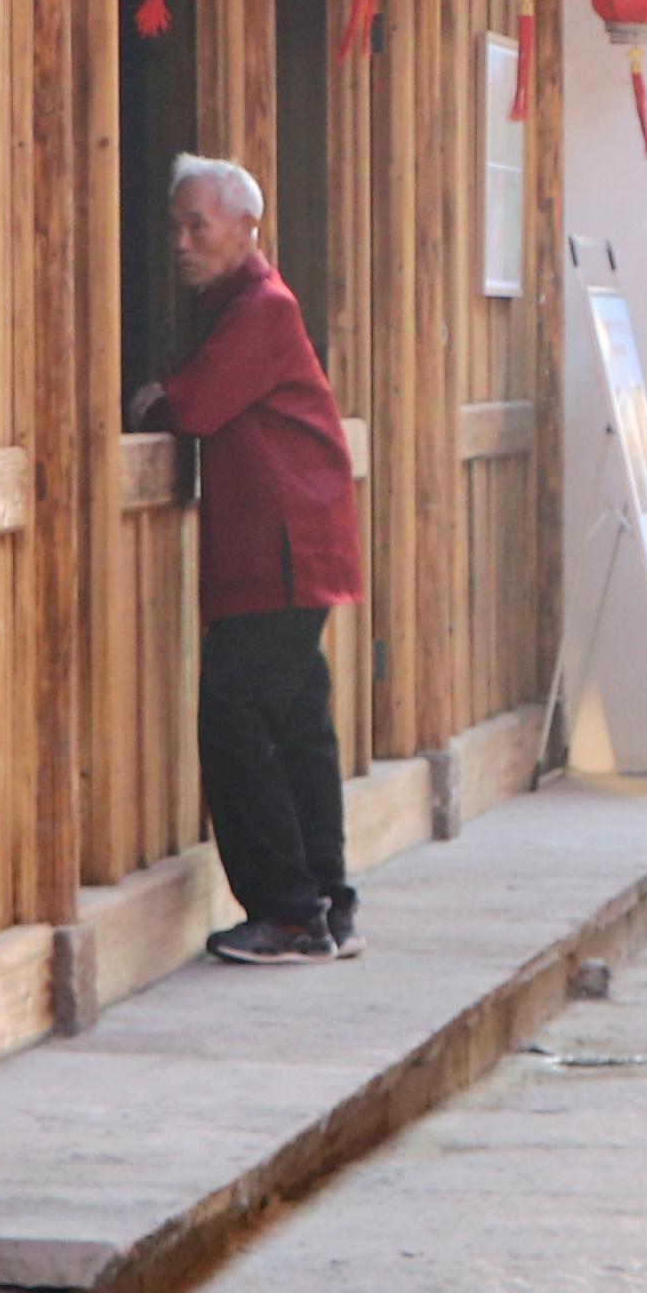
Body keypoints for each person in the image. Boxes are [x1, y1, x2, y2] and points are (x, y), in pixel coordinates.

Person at [134, 154, 366, 969]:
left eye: (199, 225)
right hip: (296, 546)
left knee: (235, 723)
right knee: (299, 727)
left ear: (247, 228)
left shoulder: (261, 307)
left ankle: (287, 915)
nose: (183, 242)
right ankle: (327, 905)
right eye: (177, 226)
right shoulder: (238, 306)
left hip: (282, 551)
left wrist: (156, 396)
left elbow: (194, 404)